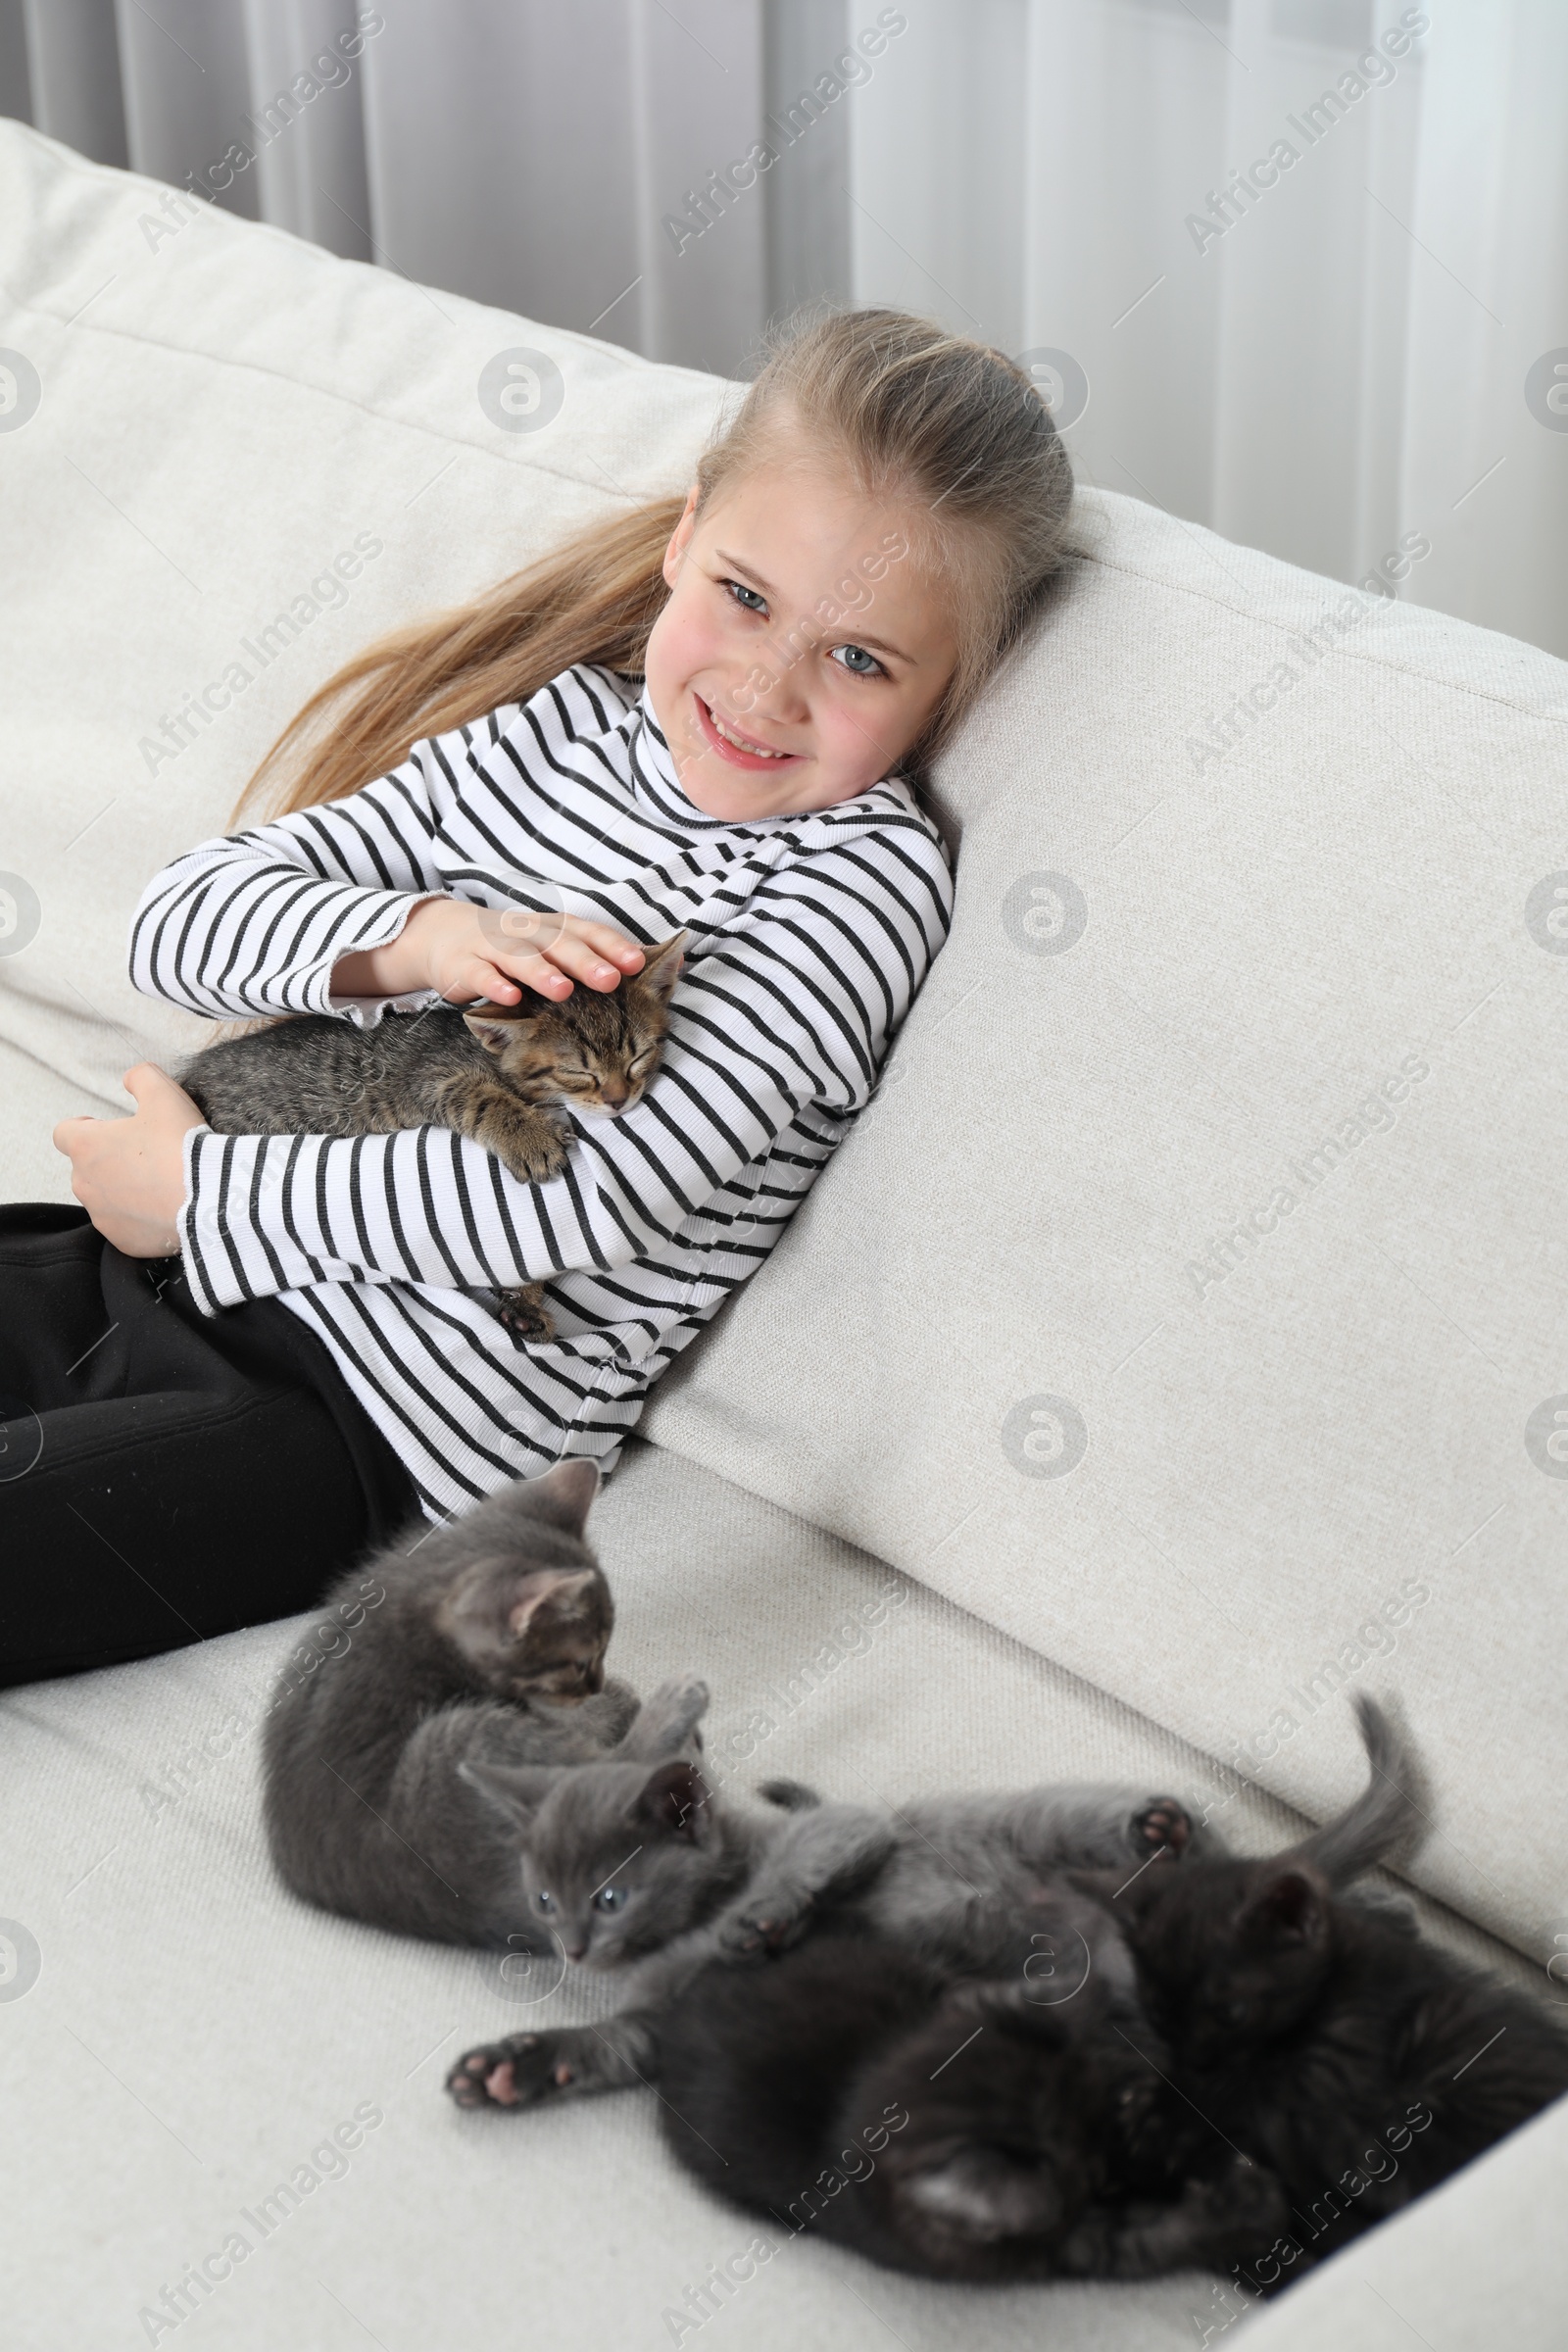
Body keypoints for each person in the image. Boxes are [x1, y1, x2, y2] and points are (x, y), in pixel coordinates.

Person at [6, 306, 1072, 1685]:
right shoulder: (554, 731)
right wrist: (424, 940)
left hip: (364, 1415)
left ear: (952, 686)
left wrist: (203, 1192)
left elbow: (571, 1198)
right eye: (746, 596)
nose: (766, 685)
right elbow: (174, 923)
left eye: (860, 658)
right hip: (145, 1258)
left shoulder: (851, 890)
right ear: (685, 536)